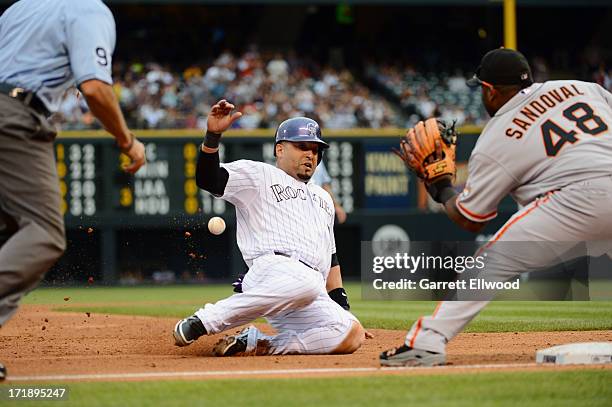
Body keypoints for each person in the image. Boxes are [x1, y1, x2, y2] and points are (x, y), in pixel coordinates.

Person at [381, 48, 612, 367]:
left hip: (573, 200)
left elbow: (470, 218)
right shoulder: (583, 87)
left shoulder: (497, 136)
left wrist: (441, 187)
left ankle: (426, 343)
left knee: (492, 262)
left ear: (489, 90)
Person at [0, 0, 146, 380]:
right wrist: (127, 140)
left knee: (9, 232)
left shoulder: (20, 9)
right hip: (14, 118)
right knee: (43, 235)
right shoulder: (88, 9)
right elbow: (95, 88)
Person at [173, 101, 365, 356]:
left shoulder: (324, 199)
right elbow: (208, 179)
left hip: (308, 290)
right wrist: (212, 137)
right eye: (302, 146)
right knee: (307, 281)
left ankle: (259, 342)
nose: (310, 154)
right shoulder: (259, 175)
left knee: (351, 332)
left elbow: (331, 261)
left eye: (316, 150)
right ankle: (204, 321)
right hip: (271, 271)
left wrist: (342, 309)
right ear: (279, 149)